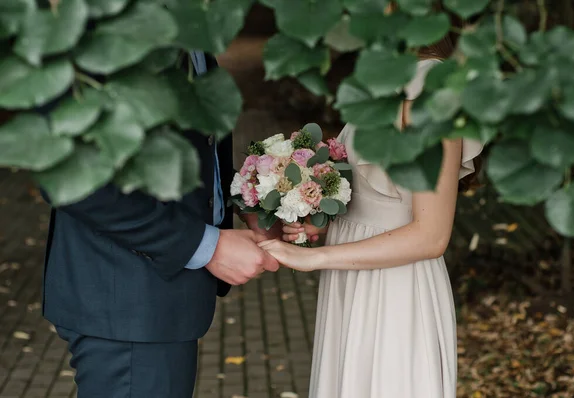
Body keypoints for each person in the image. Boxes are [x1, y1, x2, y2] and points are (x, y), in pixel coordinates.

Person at [41, 52, 279, 398]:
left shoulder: (191, 40)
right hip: (127, 300)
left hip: (155, 303)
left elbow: (195, 149)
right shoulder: (111, 31)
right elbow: (74, 179)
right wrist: (205, 246)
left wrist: (246, 200)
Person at [258, 36, 484, 397]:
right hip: (351, 279)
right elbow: (372, 196)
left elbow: (432, 235)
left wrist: (314, 259)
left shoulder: (431, 89)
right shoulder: (384, 77)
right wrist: (317, 214)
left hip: (395, 290)